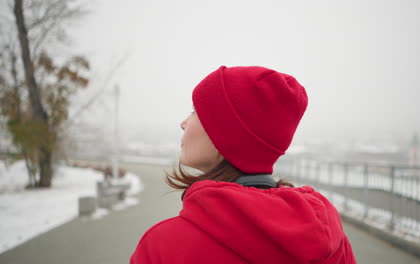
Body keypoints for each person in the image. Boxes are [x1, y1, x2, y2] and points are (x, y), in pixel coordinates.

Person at [129, 66, 357, 264]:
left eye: (195, 112)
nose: (183, 123)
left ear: (224, 134)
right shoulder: (333, 243)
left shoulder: (164, 245)